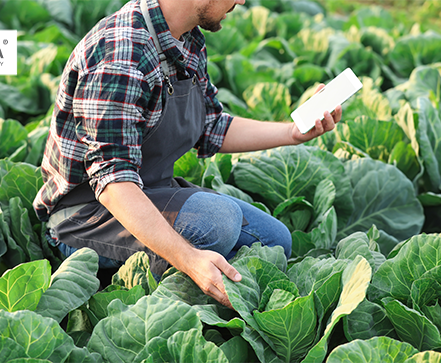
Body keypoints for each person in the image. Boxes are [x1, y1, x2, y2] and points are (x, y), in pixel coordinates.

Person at [33, 0, 342, 307]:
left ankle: (199, 281)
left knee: (275, 241)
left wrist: (291, 133)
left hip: (150, 191)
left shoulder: (187, 38)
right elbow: (114, 185)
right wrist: (190, 260)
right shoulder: (121, 54)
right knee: (218, 223)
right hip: (85, 219)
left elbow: (211, 125)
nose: (241, 1)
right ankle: (125, 292)